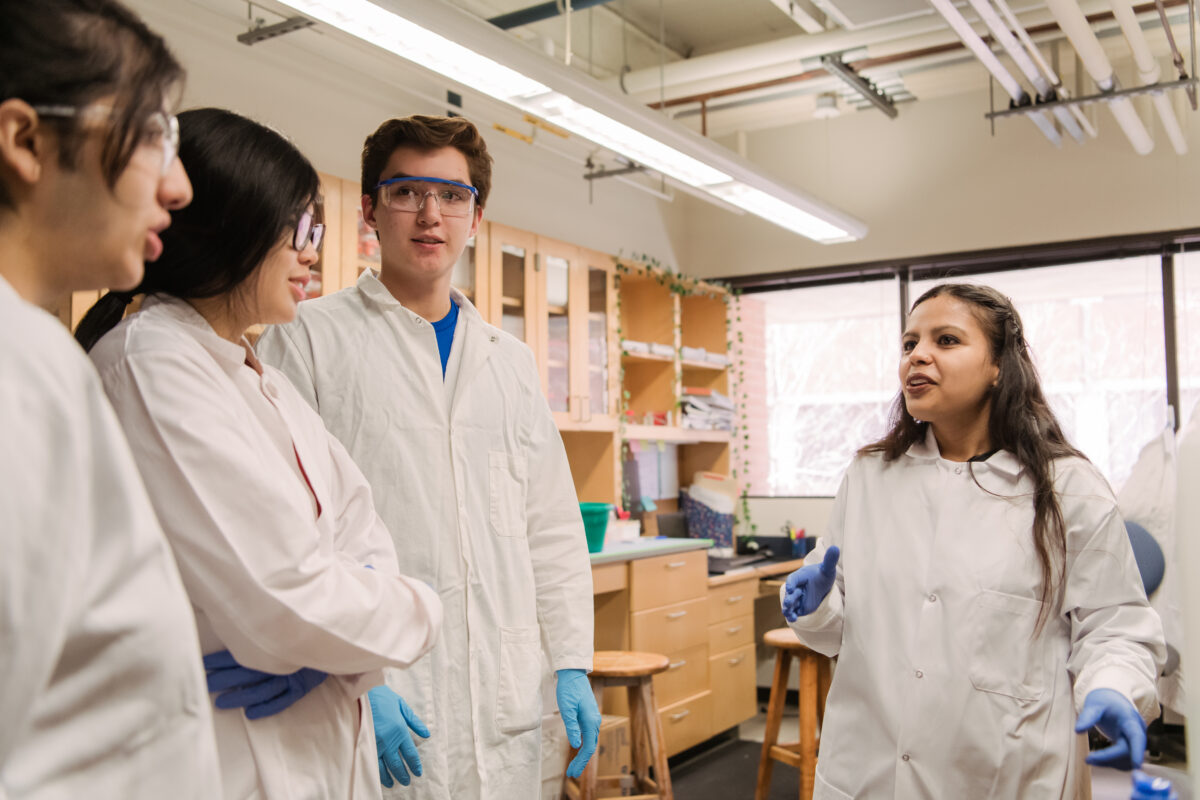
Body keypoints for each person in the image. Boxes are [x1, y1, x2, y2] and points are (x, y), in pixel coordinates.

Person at [75, 107, 444, 799]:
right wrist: (423, 609)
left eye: (319, 231)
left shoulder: (259, 377)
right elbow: (289, 598)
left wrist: (335, 649)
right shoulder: (152, 364)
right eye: (300, 230)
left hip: (315, 746)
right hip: (228, 754)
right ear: (231, 227)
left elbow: (365, 536)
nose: (312, 253)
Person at [256, 114, 599, 798]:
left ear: (476, 217)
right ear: (371, 211)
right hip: (381, 686)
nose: (430, 214)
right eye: (407, 191)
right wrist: (356, 676)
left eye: (452, 196)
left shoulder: (510, 362)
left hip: (506, 694)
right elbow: (288, 525)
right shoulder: (308, 340)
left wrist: (570, 662)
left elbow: (551, 525)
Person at [781, 283, 1166, 799]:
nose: (918, 355)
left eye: (945, 340)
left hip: (1007, 772)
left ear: (999, 367)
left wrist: (1115, 688)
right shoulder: (869, 476)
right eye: (909, 343)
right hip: (868, 770)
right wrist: (816, 607)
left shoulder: (1066, 486)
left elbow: (1114, 625)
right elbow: (840, 637)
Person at [0, 1, 224, 797]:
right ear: (26, 139)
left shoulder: (35, 359)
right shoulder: (17, 373)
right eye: (154, 132)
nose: (179, 183)